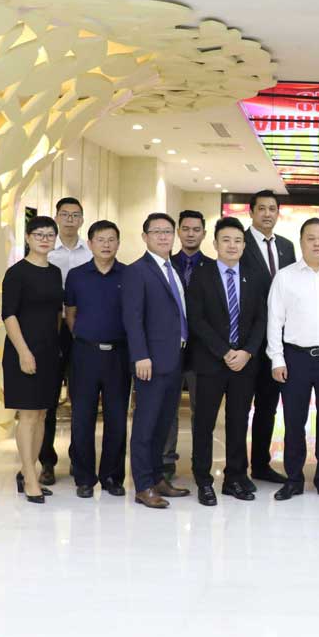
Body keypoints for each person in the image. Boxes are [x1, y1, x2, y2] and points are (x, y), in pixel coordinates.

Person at [267, 218, 319, 502]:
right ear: (301, 241)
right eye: (311, 238)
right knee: (294, 422)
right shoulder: (285, 277)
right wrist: (277, 359)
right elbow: (274, 320)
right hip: (295, 357)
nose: (317, 243)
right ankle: (293, 479)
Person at [185, 217, 268, 506]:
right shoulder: (201, 274)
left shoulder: (255, 276)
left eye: (237, 241)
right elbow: (196, 319)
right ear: (215, 243)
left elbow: (261, 319)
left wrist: (247, 352)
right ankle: (203, 480)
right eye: (226, 240)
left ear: (244, 245)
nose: (232, 245)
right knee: (204, 423)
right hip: (210, 362)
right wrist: (224, 351)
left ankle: (234, 477)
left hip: (244, 364)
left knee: (238, 422)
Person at [121, 213, 193, 509]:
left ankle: (158, 478)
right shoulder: (137, 271)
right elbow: (132, 318)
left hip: (175, 359)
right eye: (157, 232)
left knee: (164, 424)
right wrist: (140, 355)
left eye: (168, 232)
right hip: (150, 361)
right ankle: (143, 485)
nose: (164, 237)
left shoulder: (172, 268)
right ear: (145, 237)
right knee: (146, 425)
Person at [64, 220, 131, 498]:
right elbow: (70, 314)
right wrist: (85, 336)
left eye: (111, 239)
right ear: (90, 244)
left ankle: (112, 477)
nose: (106, 244)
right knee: (82, 418)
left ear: (118, 243)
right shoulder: (77, 276)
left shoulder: (129, 275)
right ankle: (84, 478)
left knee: (117, 418)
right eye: (100, 240)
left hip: (119, 355)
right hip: (85, 354)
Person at [2, 216, 65, 504]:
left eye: (50, 235)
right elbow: (9, 315)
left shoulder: (54, 272)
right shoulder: (17, 273)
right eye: (39, 234)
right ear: (28, 238)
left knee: (42, 414)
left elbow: (56, 314)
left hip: (49, 352)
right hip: (23, 351)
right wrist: (24, 352)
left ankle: (32, 471)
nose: (44, 239)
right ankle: (29, 477)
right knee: (27, 415)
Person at [242, 190, 297, 484]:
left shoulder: (287, 246)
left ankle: (261, 465)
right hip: (246, 340)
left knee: (268, 406)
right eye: (261, 208)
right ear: (251, 212)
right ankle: (237, 469)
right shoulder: (240, 241)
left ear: (278, 213)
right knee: (240, 408)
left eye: (272, 209)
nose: (267, 214)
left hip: (278, 342)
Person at [41, 197, 91, 485]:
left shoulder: (90, 252)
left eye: (75, 215)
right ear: (57, 218)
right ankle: (46, 461)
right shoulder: (46, 250)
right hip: (50, 329)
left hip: (82, 330)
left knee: (80, 398)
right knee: (48, 398)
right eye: (65, 214)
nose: (70, 219)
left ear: (82, 220)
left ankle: (78, 457)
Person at [163, 209, 208, 480]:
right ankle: (166, 461)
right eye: (186, 229)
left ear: (204, 233)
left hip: (202, 351)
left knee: (200, 410)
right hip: (169, 348)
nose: (191, 234)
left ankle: (200, 463)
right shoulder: (165, 264)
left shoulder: (213, 267)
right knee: (168, 407)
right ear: (178, 232)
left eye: (196, 229)